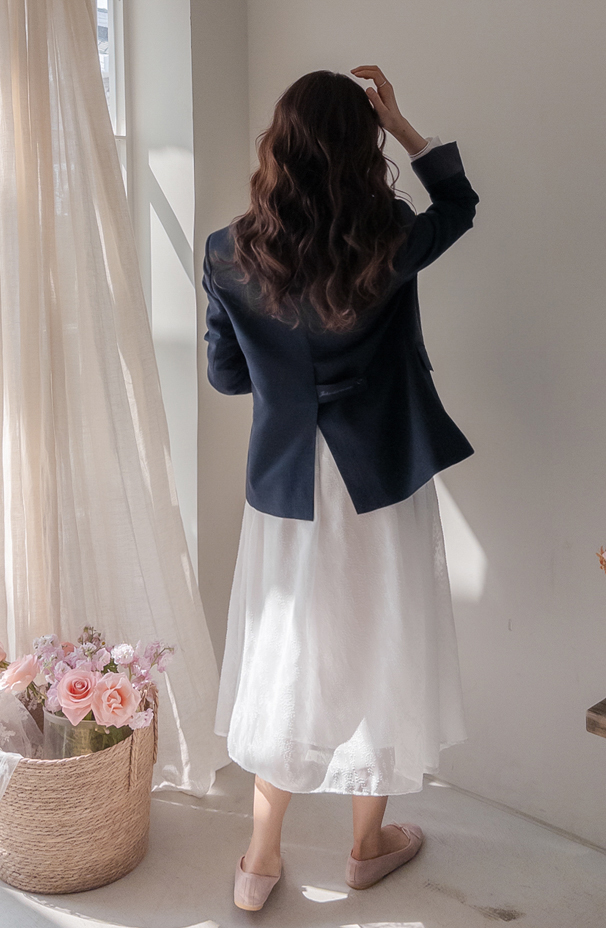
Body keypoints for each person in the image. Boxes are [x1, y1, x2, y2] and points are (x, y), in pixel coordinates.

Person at [203, 65, 479, 911]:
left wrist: (285, 374)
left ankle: (259, 861)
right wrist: (404, 124)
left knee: (290, 654)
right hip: (379, 472)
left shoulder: (228, 250)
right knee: (383, 637)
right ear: (362, 146)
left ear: (277, 144)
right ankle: (366, 846)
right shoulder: (387, 235)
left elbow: (225, 376)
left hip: (288, 481)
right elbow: (459, 205)